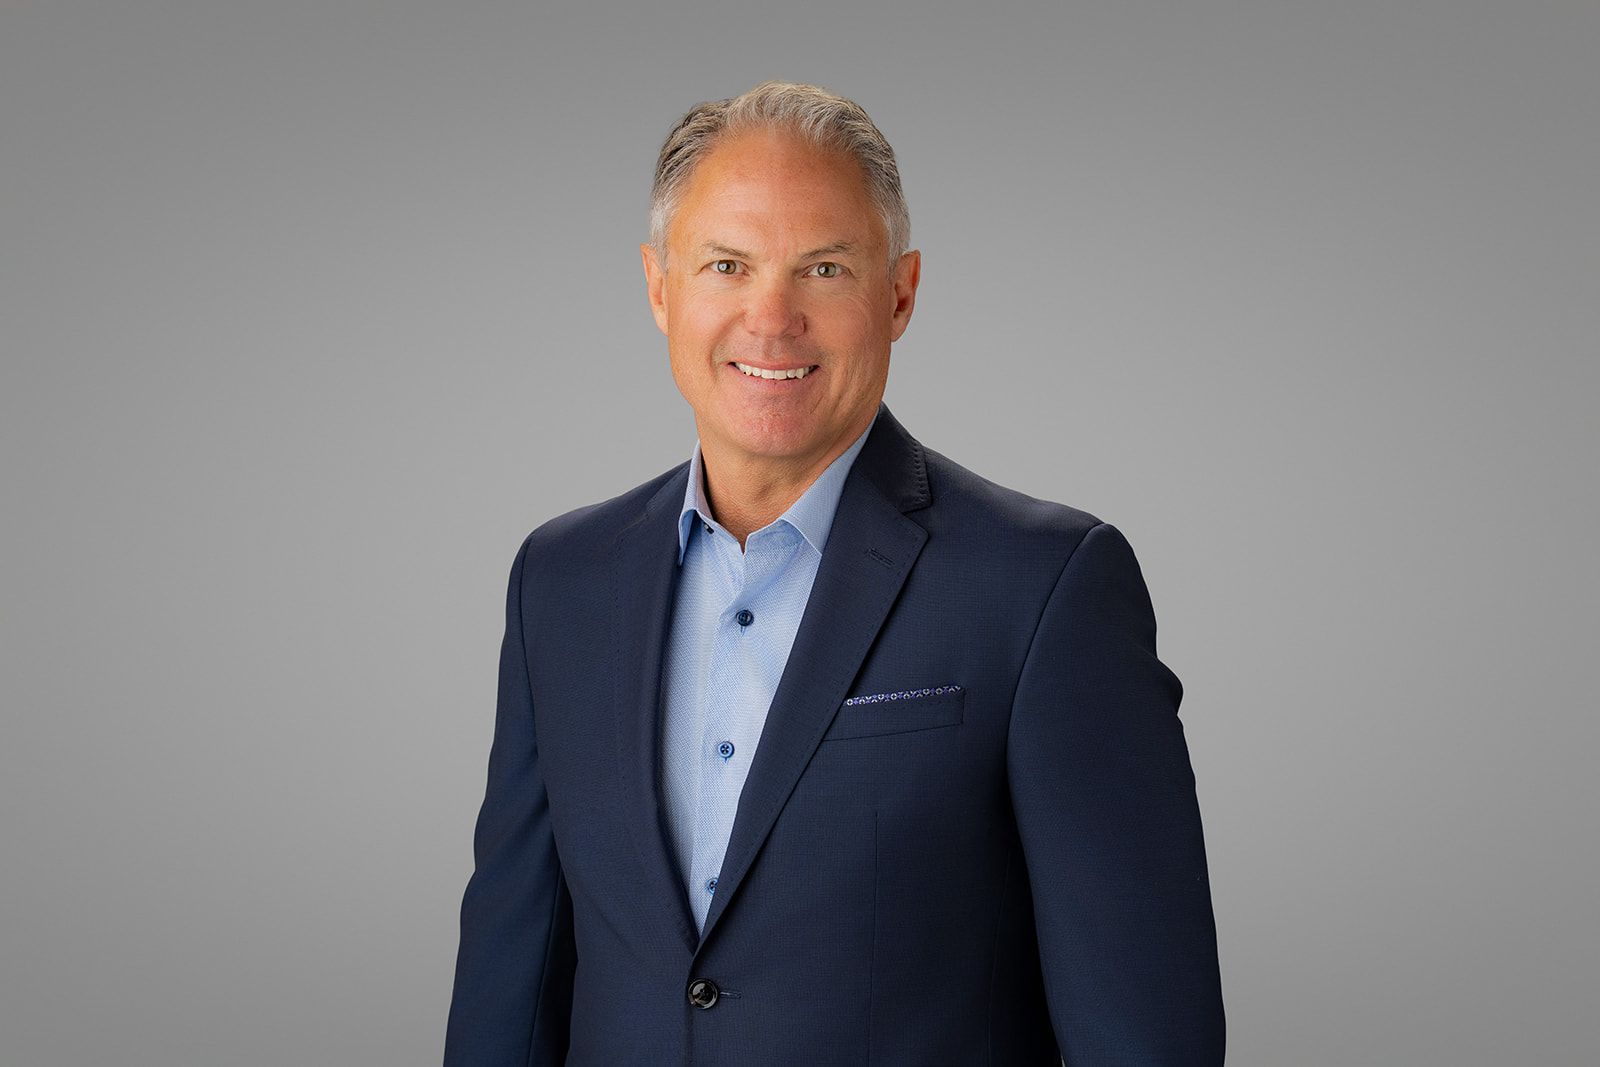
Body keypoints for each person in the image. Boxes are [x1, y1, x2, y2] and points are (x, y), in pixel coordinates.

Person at [444, 80, 1225, 1065]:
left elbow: (1145, 1036)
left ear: (898, 293)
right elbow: (506, 996)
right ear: (658, 287)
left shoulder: (1044, 590)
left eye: (822, 267)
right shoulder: (560, 582)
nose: (771, 319)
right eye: (726, 264)